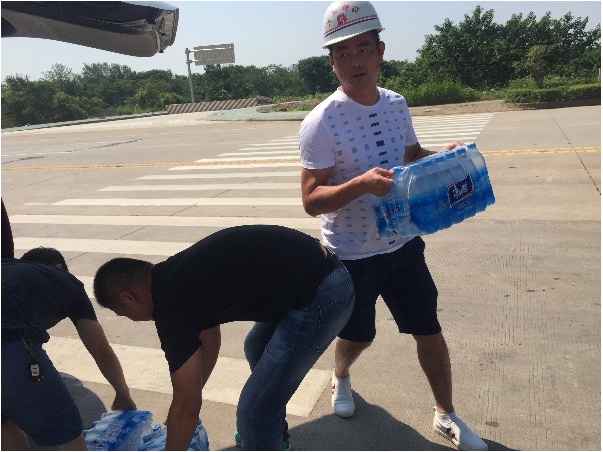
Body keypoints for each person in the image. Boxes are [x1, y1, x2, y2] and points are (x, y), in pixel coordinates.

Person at [298, 2, 488, 451]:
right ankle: (341, 375)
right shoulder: (320, 122)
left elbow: (411, 157)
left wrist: (444, 157)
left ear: (380, 51)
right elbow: (310, 200)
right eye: (342, 54)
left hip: (403, 241)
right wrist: (360, 184)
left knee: (429, 329)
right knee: (358, 335)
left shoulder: (396, 104)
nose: (354, 62)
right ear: (331, 62)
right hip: (352, 253)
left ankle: (445, 414)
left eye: (363, 49)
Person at [92, 225, 355, 451]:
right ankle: (272, 434)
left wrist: (182, 412)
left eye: (123, 314)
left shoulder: (171, 308)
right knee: (256, 346)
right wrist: (186, 403)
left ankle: (263, 431)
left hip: (323, 295)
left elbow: (186, 408)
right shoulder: (173, 277)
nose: (131, 320)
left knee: (253, 412)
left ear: (128, 297)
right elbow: (209, 341)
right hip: (317, 274)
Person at [1, 247, 137, 451]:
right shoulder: (64, 280)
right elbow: (101, 350)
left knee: (4, 423)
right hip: (10, 351)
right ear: (59, 267)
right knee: (67, 433)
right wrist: (122, 393)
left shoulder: (9, 268)